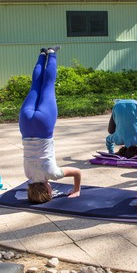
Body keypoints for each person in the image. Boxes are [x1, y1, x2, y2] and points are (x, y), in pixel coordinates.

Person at [20, 47, 81, 204]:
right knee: (35, 85)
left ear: (47, 189)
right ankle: (42, 55)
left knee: (48, 85)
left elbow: (77, 172)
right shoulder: (28, 175)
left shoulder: (53, 174)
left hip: (43, 125)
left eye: (50, 192)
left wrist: (76, 189)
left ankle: (52, 54)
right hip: (26, 125)